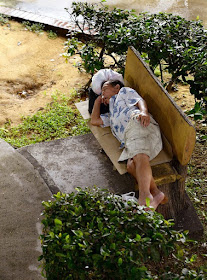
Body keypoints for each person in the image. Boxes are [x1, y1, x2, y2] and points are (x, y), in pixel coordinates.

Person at [91, 79, 166, 210]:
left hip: (138, 123)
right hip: (130, 139)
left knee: (139, 155)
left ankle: (144, 196)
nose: (103, 94)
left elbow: (139, 100)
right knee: (131, 166)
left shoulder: (123, 93)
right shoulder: (112, 115)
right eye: (101, 92)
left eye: (105, 89)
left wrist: (144, 111)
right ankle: (156, 193)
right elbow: (94, 120)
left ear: (116, 87)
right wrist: (97, 101)